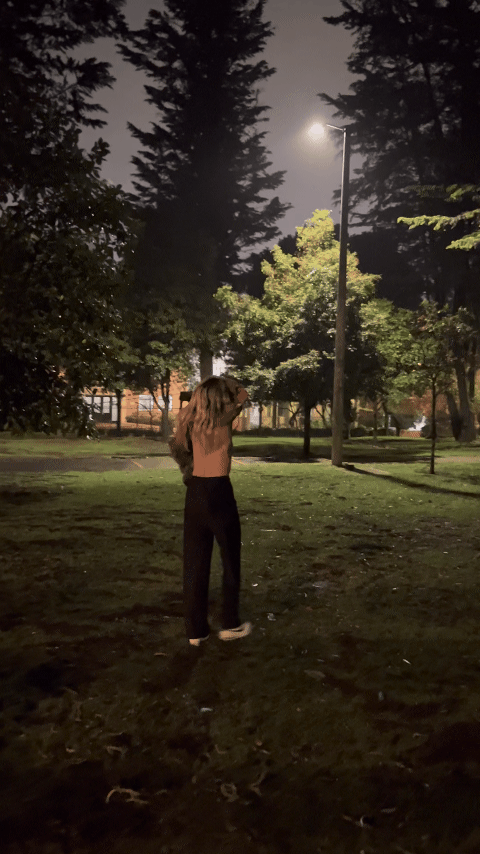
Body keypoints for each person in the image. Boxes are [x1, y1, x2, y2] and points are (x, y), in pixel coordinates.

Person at [169, 375, 252, 647]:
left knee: (195, 563)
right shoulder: (225, 417)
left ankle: (196, 631)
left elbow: (178, 448)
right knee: (230, 559)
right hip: (219, 490)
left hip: (195, 492)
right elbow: (243, 394)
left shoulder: (188, 420)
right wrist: (227, 381)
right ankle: (229, 623)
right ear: (219, 397)